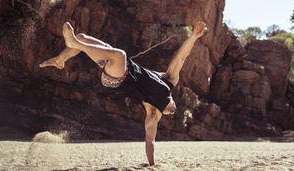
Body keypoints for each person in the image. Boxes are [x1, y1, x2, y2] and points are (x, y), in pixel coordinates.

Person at [40, 21, 208, 165]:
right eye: (172, 110)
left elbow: (150, 140)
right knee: (84, 37)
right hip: (119, 65)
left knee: (119, 54)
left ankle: (74, 42)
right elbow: (181, 58)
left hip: (116, 79)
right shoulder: (169, 79)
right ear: (172, 100)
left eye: (168, 114)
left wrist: (152, 165)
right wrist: (193, 37)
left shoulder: (152, 112)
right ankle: (60, 60)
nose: (170, 112)